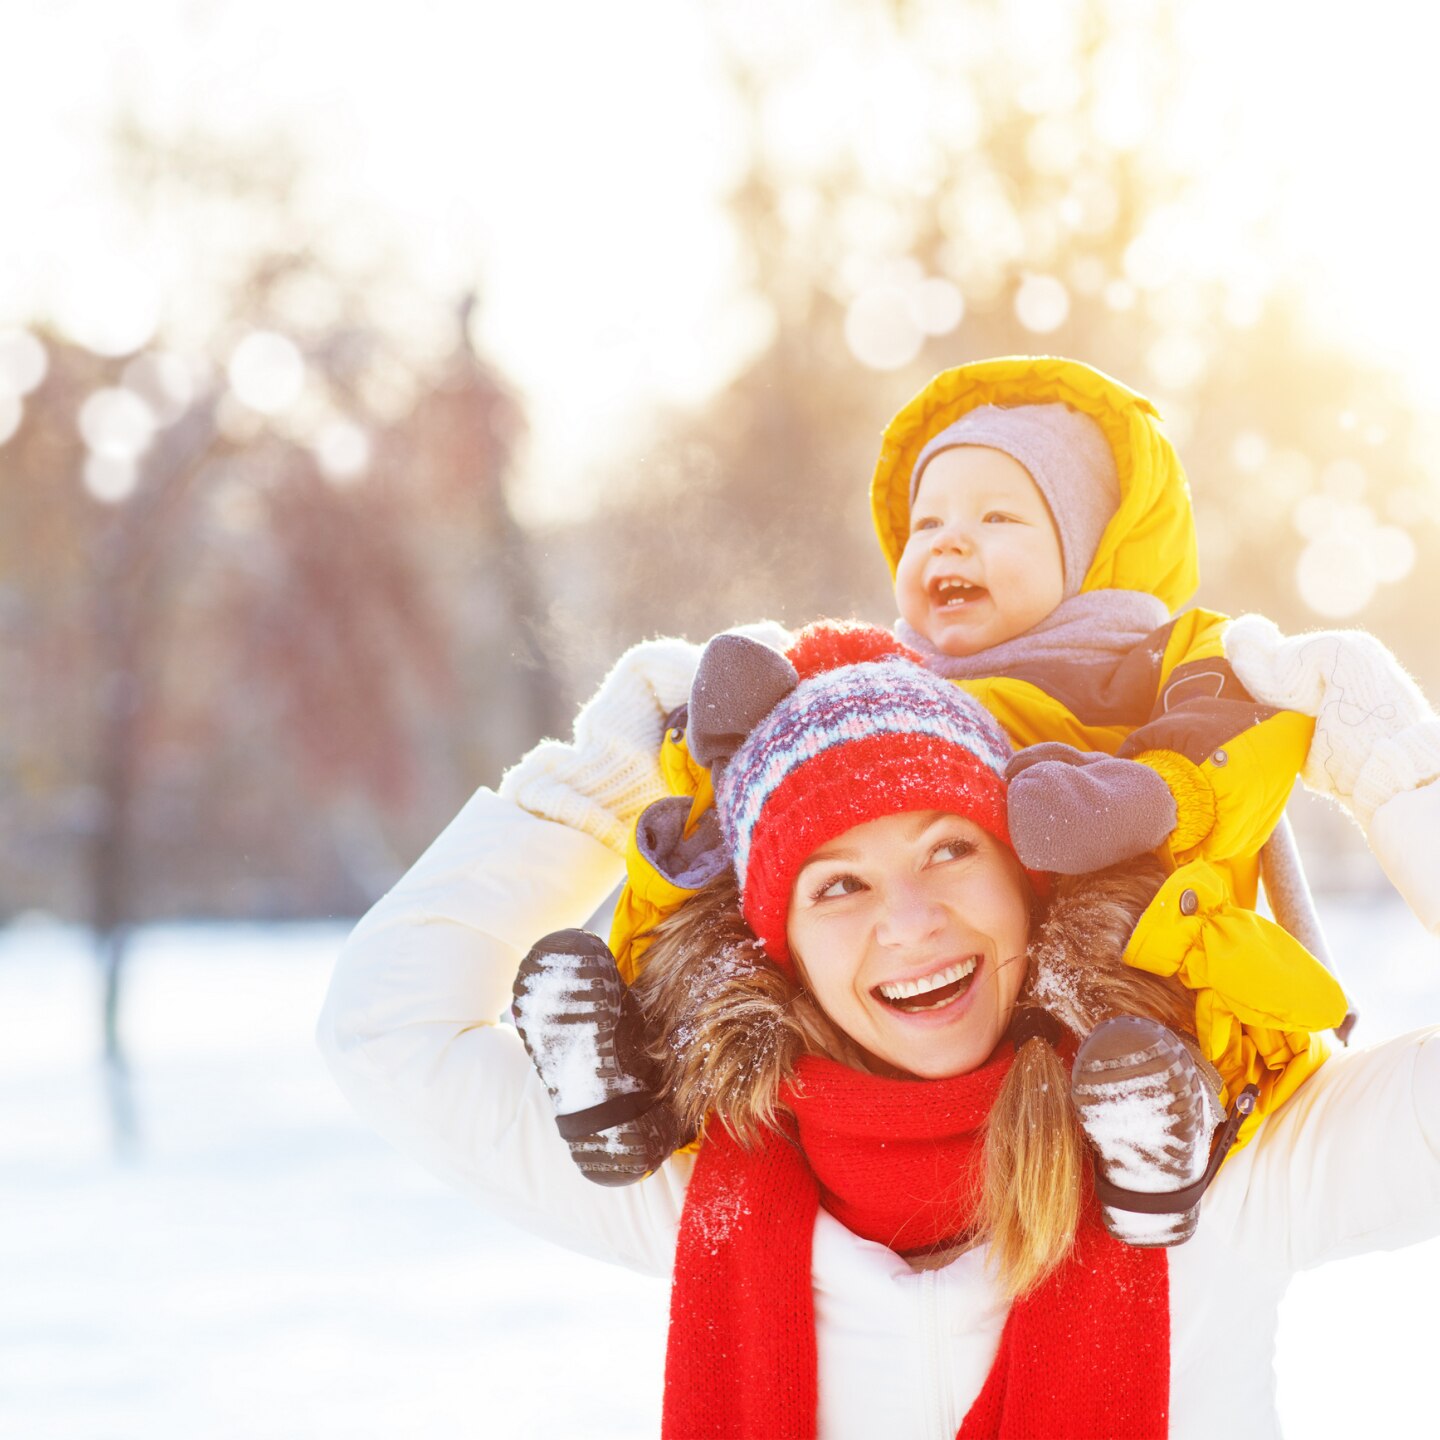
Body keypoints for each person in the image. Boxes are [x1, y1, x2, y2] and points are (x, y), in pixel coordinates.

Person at [318, 624, 1440, 1439]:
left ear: (1029, 881)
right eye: (837, 887)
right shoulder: (695, 1193)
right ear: (781, 948)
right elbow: (383, 1029)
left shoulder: (1219, 1177)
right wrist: (606, 775)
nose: (910, 923)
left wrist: (1386, 758)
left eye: (951, 849)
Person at [514, 356, 1440, 1247]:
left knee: (1124, 926)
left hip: (1129, 969)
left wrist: (1155, 795)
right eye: (927, 523)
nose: (952, 540)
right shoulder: (877, 677)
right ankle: (635, 1079)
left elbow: (1235, 764)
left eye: (1000, 516)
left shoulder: (1153, 664)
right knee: (748, 914)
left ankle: (1166, 1125)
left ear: (1091, 548)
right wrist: (702, 755)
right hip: (954, 978)